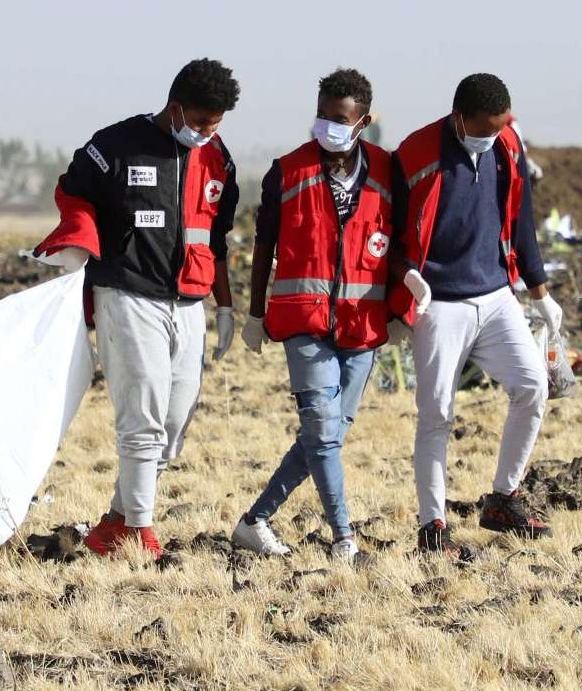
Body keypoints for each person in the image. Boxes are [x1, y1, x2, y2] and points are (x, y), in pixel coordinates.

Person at [35, 59, 241, 559]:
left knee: (174, 421)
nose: (206, 134)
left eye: (215, 126)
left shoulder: (219, 159)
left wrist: (227, 305)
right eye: (199, 123)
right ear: (175, 109)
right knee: (143, 415)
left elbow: (216, 238)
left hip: (189, 301)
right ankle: (142, 534)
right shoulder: (115, 145)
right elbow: (71, 191)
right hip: (127, 294)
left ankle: (116, 522)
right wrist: (77, 244)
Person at [389, 73, 561, 561]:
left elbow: (522, 218)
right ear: (459, 118)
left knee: (532, 386)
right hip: (438, 304)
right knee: (437, 414)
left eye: (500, 128)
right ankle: (433, 528)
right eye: (484, 130)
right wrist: (405, 283)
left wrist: (541, 292)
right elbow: (390, 234)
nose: (493, 138)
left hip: (497, 295)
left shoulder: (506, 142)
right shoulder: (415, 153)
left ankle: (503, 499)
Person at [233, 69, 394, 561]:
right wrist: (255, 312)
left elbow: (404, 244)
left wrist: (405, 306)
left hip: (362, 326)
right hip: (302, 321)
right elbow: (264, 247)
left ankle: (254, 521)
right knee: (324, 434)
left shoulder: (389, 173)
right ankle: (344, 538)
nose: (328, 126)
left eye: (339, 118)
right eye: (322, 115)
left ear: (362, 121)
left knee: (326, 436)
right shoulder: (286, 172)